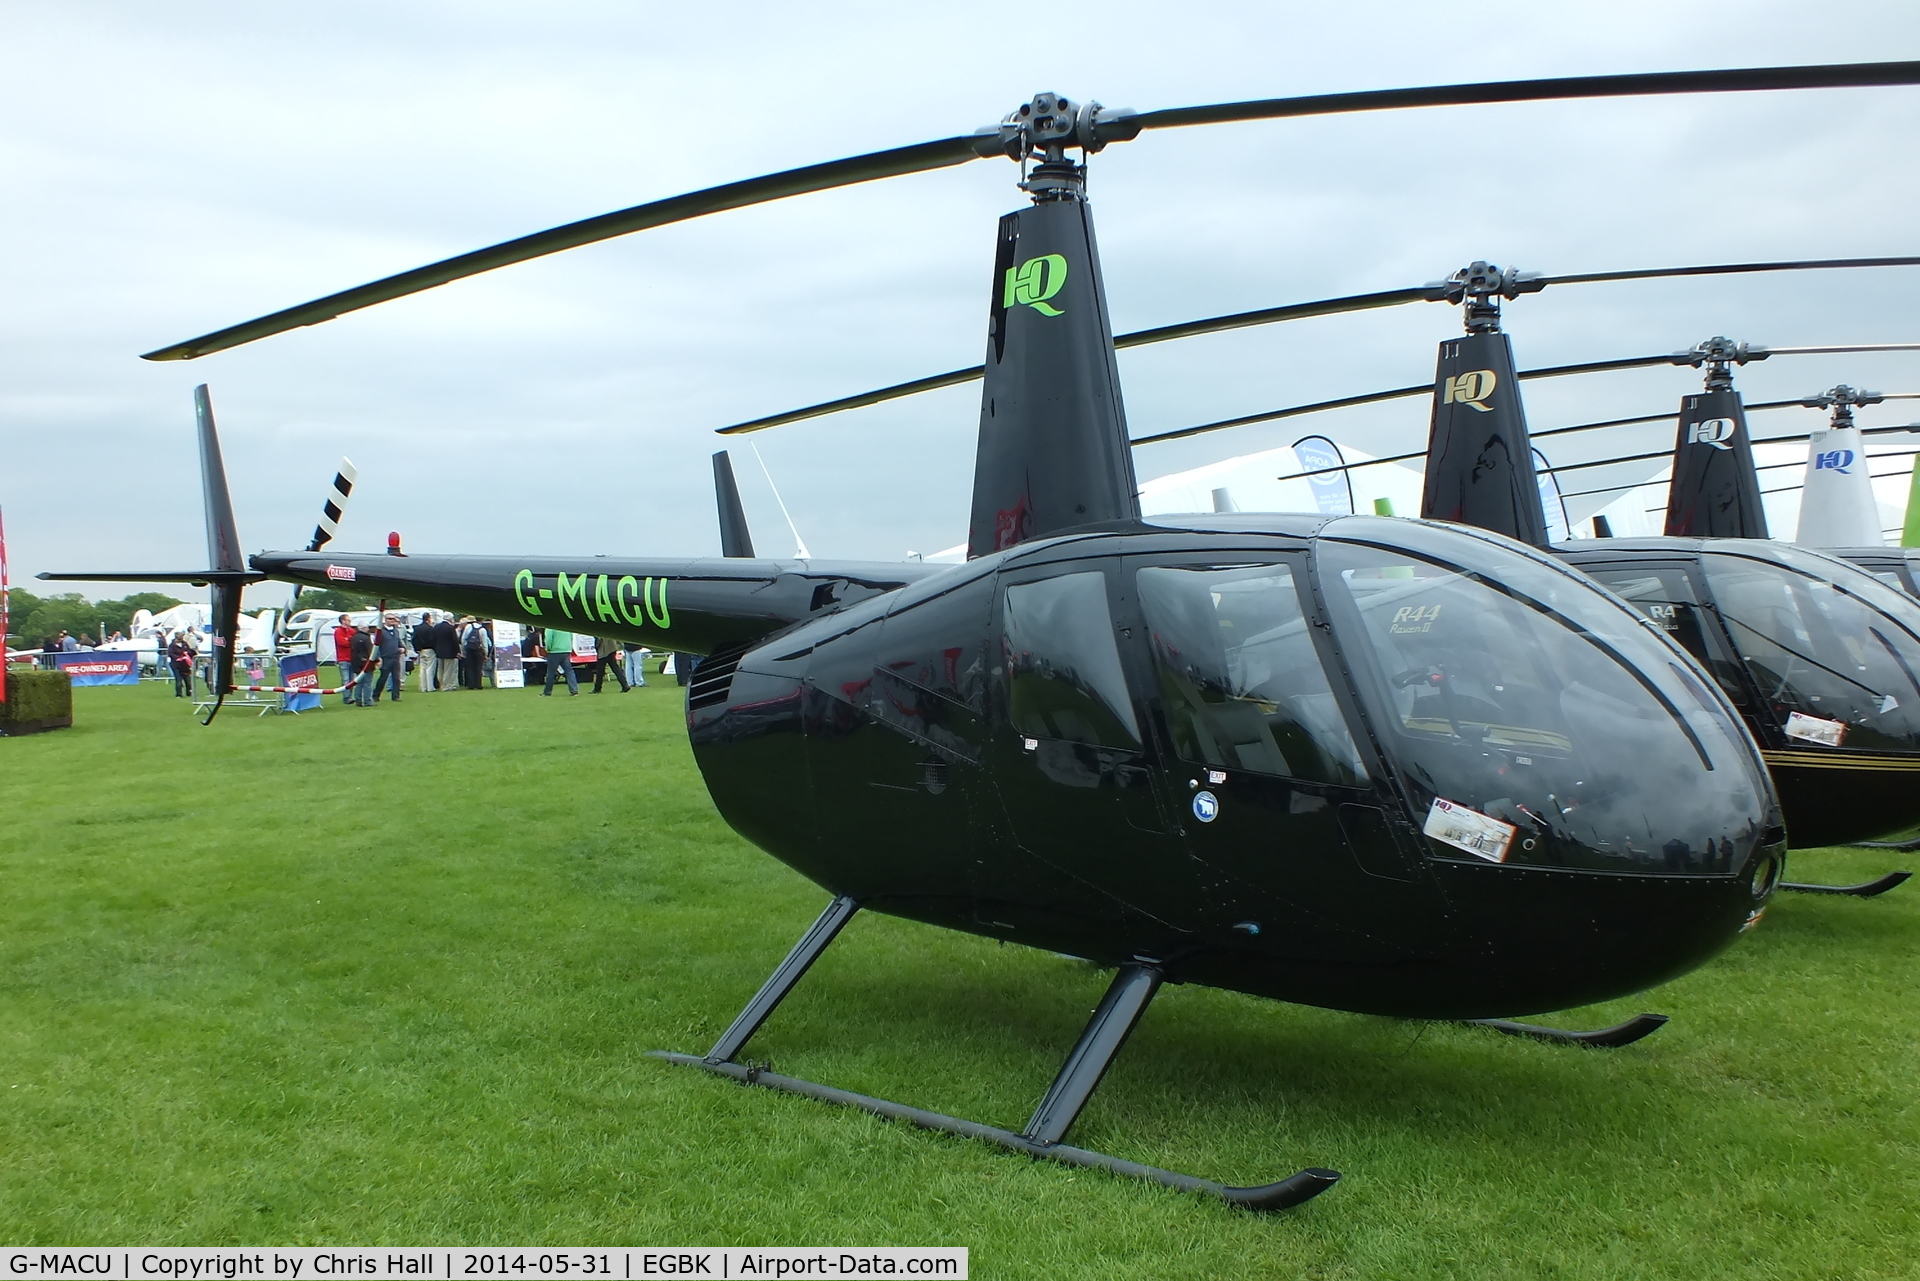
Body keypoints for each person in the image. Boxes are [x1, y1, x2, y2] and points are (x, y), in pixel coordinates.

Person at [370, 615, 404, 702]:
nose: (392, 621)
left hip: (395, 657)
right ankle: (376, 695)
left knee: (396, 678)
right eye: (390, 619)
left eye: (394, 619)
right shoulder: (381, 632)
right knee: (383, 678)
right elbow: (376, 645)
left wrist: (402, 648)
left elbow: (398, 642)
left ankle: (396, 696)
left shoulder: (395, 631)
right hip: (385, 658)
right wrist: (378, 658)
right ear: (385, 620)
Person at [542, 627, 578, 696]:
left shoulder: (550, 627)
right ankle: (574, 690)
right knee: (569, 671)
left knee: (551, 672)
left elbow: (548, 639)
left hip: (554, 651)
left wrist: (548, 649)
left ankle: (547, 692)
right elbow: (571, 637)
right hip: (566, 650)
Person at [345, 623, 375, 705]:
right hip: (366, 662)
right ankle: (368, 701)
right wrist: (374, 660)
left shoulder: (353, 637)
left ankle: (358, 700)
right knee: (367, 683)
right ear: (364, 628)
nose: (368, 629)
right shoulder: (366, 638)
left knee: (358, 682)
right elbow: (370, 651)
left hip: (356, 662)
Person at [460, 617, 490, 689]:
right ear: (482, 620)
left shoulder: (468, 627)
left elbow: (463, 639)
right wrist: (486, 653)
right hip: (478, 650)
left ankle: (471, 684)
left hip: (469, 649)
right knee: (478, 667)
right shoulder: (482, 629)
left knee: (470, 667)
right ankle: (478, 684)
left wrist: (463, 649)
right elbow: (484, 642)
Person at [431, 612, 459, 690]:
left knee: (441, 670)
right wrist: (457, 651)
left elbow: (433, 640)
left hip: (439, 651)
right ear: (450, 619)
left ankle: (442, 684)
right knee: (448, 670)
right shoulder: (450, 628)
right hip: (449, 652)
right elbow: (454, 641)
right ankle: (447, 686)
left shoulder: (436, 627)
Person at [411, 613, 438, 693]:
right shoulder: (431, 629)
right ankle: (430, 687)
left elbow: (414, 639)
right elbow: (433, 640)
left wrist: (417, 648)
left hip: (421, 650)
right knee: (430, 668)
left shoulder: (417, 628)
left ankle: (423, 687)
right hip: (430, 649)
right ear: (428, 618)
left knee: (422, 669)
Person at [331, 613, 358, 684]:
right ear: (343, 621)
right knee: (345, 679)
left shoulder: (352, 631)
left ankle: (350, 694)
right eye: (348, 620)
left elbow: (356, 641)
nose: (350, 621)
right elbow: (342, 643)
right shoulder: (338, 631)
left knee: (352, 680)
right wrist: (350, 641)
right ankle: (347, 695)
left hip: (352, 658)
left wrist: (349, 640)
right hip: (343, 659)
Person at [167, 631, 194, 698]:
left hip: (185, 665)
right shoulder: (172, 645)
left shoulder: (184, 644)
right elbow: (170, 654)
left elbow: (189, 651)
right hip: (176, 665)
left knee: (187, 680)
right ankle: (179, 694)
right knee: (178, 680)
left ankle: (189, 692)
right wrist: (178, 658)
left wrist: (188, 653)